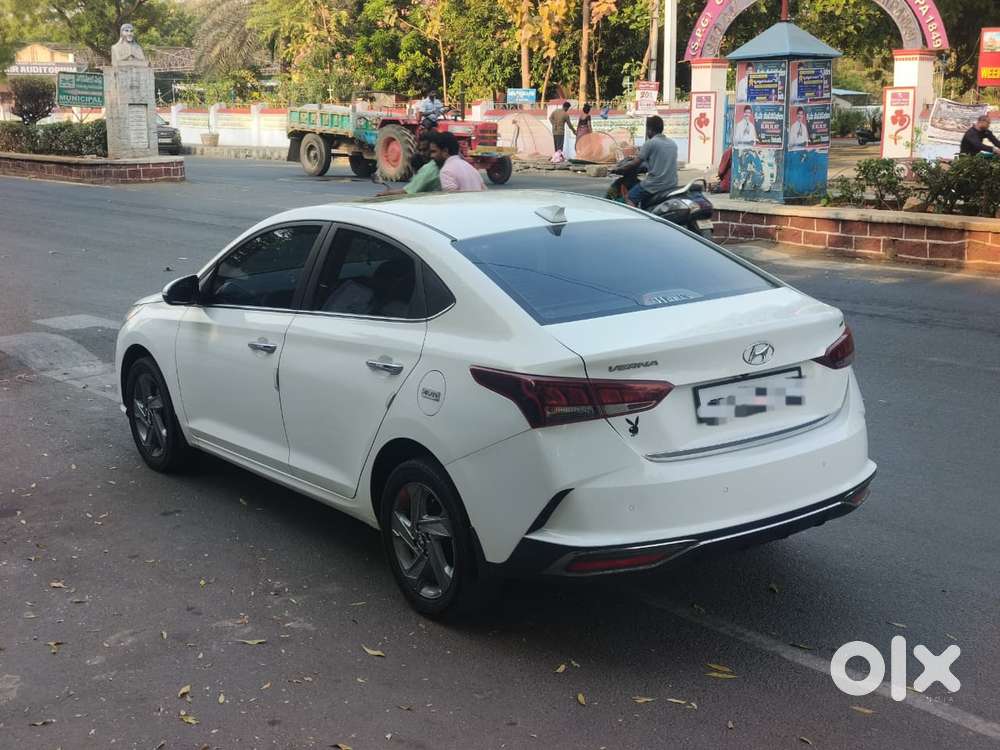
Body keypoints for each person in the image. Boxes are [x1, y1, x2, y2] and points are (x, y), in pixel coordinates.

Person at [620, 115, 678, 209]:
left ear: (650, 130)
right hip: (672, 183)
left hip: (655, 184)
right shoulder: (672, 143)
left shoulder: (650, 143)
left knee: (629, 197)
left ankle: (638, 221)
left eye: (647, 129)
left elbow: (635, 163)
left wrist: (620, 169)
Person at [376, 131, 441, 197]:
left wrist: (384, 194)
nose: (422, 154)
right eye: (420, 150)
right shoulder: (445, 164)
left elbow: (407, 192)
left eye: (425, 150)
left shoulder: (430, 169)